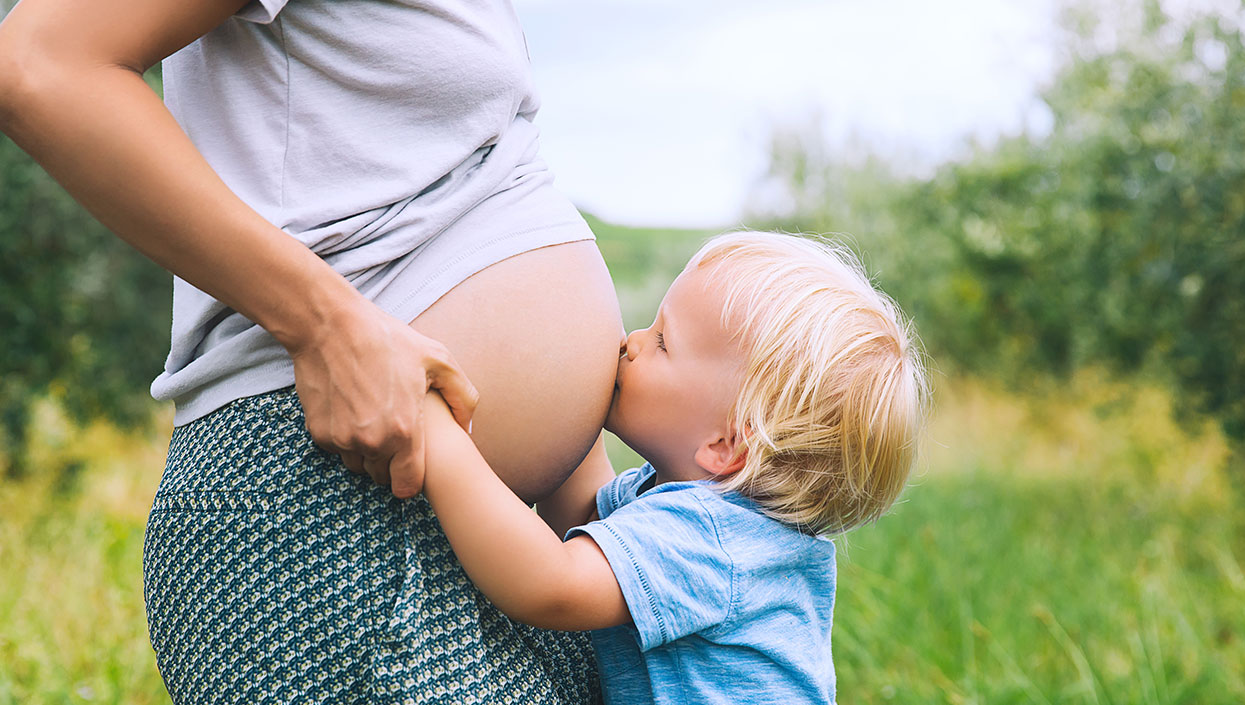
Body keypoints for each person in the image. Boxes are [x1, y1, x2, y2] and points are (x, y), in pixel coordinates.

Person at [0, 0, 621, 702]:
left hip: (507, 543)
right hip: (327, 511)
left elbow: (480, 185)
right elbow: (42, 62)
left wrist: (582, 467)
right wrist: (324, 324)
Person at [418, 231, 930, 704]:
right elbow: (579, 516)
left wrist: (438, 434)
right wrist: (569, 380)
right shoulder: (691, 506)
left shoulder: (714, 538)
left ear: (725, 444)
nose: (632, 343)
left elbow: (551, 586)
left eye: (663, 342)